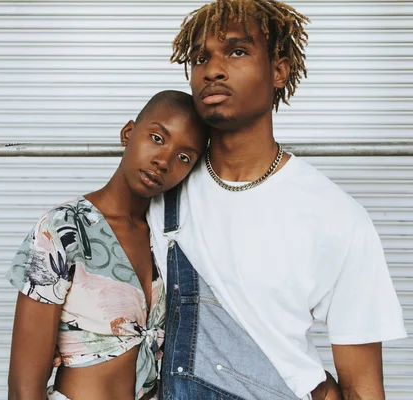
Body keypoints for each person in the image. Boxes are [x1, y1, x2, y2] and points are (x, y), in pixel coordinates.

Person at [147, 1, 407, 399]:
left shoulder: (336, 216)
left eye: (237, 51)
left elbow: (362, 386)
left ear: (279, 71)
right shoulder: (159, 191)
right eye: (200, 58)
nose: (213, 70)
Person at [6, 90, 209, 400]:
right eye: (157, 138)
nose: (163, 161)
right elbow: (24, 389)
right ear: (128, 133)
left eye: (184, 157)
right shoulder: (63, 228)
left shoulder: (169, 241)